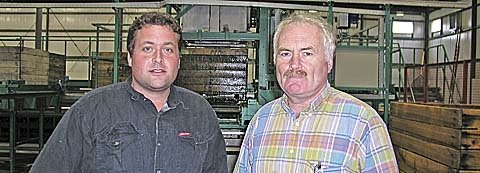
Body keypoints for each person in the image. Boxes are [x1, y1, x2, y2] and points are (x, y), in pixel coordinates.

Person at [30, 12, 227, 172]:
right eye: (148, 49)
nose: (158, 59)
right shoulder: (90, 111)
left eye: (168, 50)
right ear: (130, 58)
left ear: (179, 60)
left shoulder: (200, 113)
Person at [234, 12, 398, 172]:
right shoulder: (261, 122)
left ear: (329, 61)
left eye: (307, 53)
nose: (294, 64)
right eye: (285, 53)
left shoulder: (363, 122)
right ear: (275, 61)